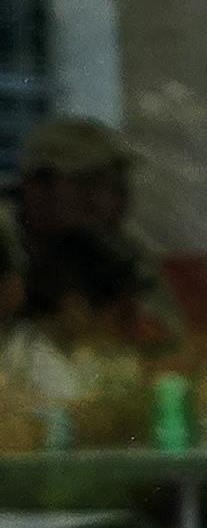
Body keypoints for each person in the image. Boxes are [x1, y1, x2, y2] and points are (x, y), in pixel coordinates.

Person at [12, 113, 183, 354]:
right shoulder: (6, 239)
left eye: (114, 185)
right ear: (37, 186)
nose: (104, 200)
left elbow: (166, 330)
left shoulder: (110, 248)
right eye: (86, 183)